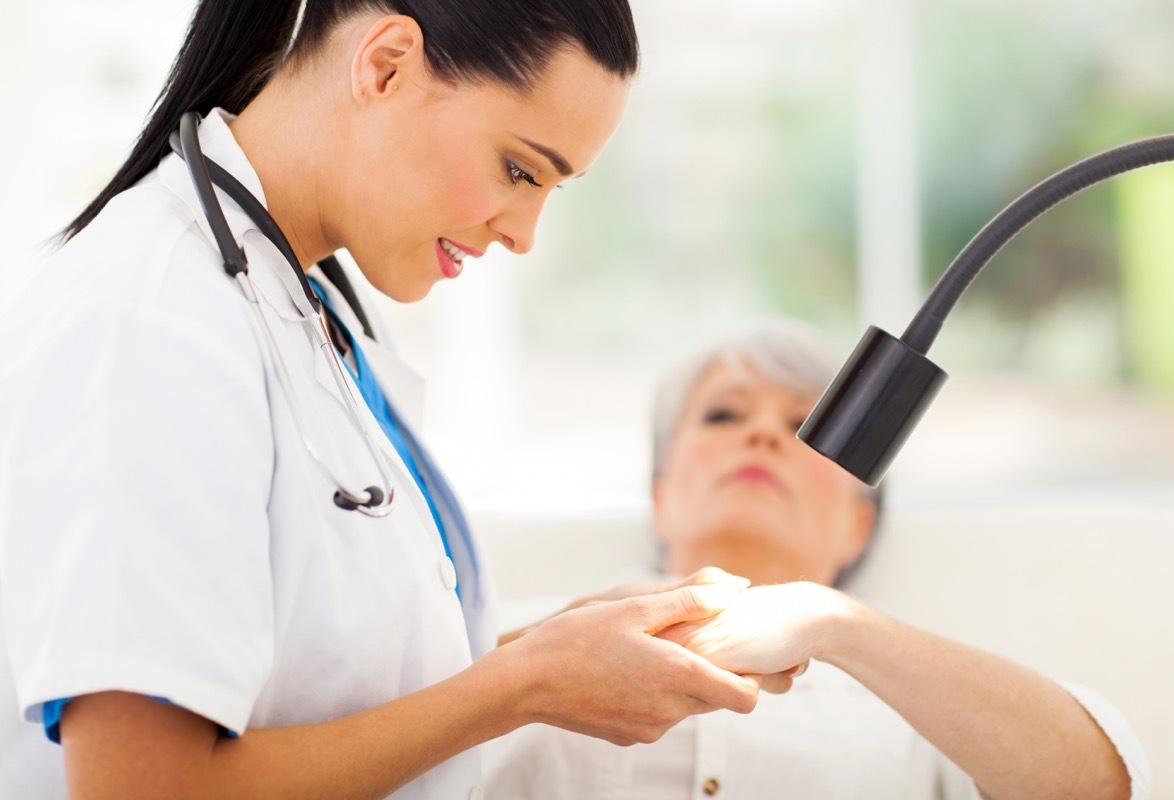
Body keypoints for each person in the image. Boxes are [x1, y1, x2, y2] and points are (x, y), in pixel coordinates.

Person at [0, 3, 773, 798]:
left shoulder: (308, 307)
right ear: (387, 63)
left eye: (553, 188)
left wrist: (563, 646)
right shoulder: (154, 322)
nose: (525, 235)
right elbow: (147, 786)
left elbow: (328, 688)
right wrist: (525, 685)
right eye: (519, 169)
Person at [483, 318, 1152, 800]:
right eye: (722, 416)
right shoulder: (496, 642)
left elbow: (1101, 787)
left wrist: (838, 626)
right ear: (661, 497)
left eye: (805, 424)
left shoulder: (926, 701)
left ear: (858, 525)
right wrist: (538, 653)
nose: (761, 435)